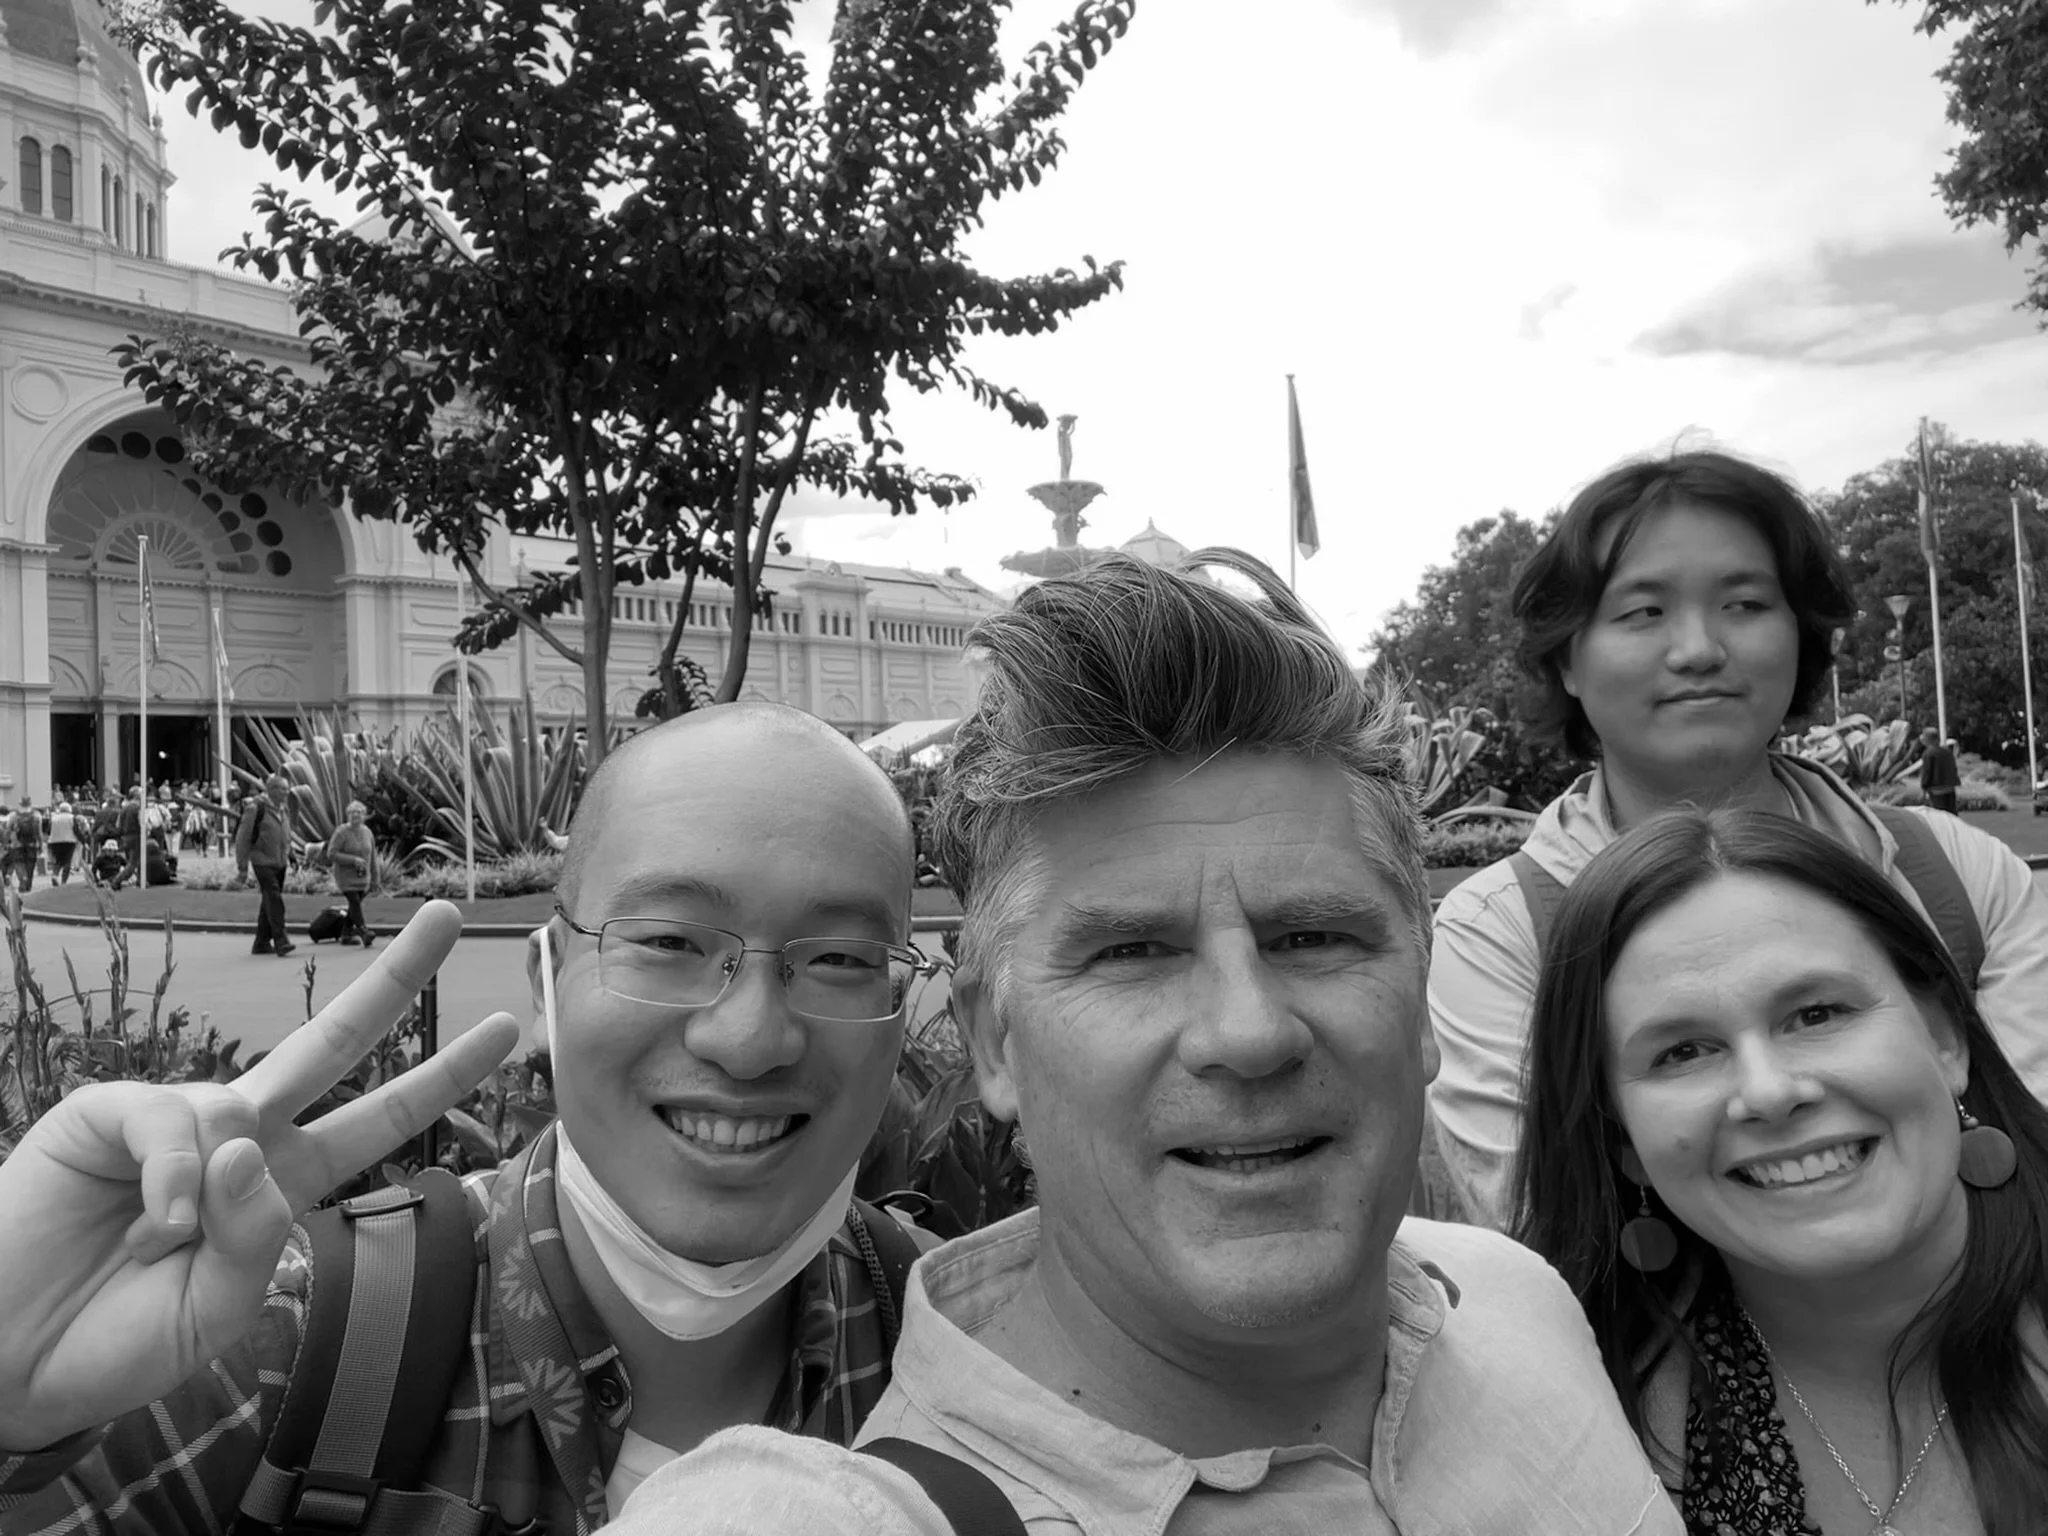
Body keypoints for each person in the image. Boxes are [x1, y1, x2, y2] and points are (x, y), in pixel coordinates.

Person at [611, 551, 1681, 1535]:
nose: (1248, 1032)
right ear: (995, 1043)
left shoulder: (1510, 1300)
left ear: (1421, 993)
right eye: (1130, 953)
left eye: (1313, 937)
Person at [0, 705, 944, 1534]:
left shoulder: (950, 1355)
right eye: (666, 941)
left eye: (840, 960)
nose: (749, 1040)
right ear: (546, 979)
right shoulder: (281, 1347)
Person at [1427, 449, 2048, 1229]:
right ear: (1567, 662)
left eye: (1745, 603)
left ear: (1801, 635)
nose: (1698, 650)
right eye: (1643, 612)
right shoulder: (1503, 933)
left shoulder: (1959, 876)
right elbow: (1547, 1228)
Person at [1514, 809, 2048, 1535]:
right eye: (1682, 1052)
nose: (1768, 1092)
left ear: (1945, 1038)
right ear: (1623, 1139)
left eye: (1817, 1013)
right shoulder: (1567, 1425)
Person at [234, 773, 296, 957]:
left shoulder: (283, 809)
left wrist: (291, 855)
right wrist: (242, 867)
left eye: (287, 788)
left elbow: (285, 835)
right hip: (262, 860)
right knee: (274, 899)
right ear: (271, 789)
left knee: (268, 901)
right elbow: (242, 838)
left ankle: (261, 942)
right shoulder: (256, 809)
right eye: (282, 789)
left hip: (280, 861)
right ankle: (281, 940)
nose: (286, 792)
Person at [324, 799, 378, 947]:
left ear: (364, 815)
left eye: (359, 812)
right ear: (347, 815)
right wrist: (353, 860)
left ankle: (346, 935)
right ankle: (363, 931)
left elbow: (373, 857)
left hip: (363, 877)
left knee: (354, 906)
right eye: (352, 812)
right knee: (354, 902)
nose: (355, 815)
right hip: (345, 877)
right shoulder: (341, 832)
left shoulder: (367, 832)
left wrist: (375, 879)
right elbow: (331, 853)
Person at [1918, 725, 1961, 813]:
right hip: (1950, 787)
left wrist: (1924, 789)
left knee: (1939, 814)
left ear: (1928, 739)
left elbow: (1927, 772)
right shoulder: (1947, 752)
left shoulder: (1928, 753)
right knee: (1951, 814)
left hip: (1936, 790)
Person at [6, 794, 42, 892]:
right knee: (30, 864)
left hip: (16, 844)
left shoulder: (13, 815)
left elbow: (8, 830)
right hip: (32, 844)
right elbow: (39, 832)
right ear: (30, 803)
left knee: (18, 862)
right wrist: (40, 845)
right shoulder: (36, 814)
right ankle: (28, 884)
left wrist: (5, 843)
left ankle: (22, 878)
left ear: (20, 803)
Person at [45, 800, 77, 885]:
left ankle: (54, 875)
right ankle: (63, 881)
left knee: (58, 860)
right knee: (67, 860)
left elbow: (48, 831)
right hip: (69, 841)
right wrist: (84, 841)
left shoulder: (54, 818)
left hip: (54, 842)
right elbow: (76, 831)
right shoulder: (72, 817)